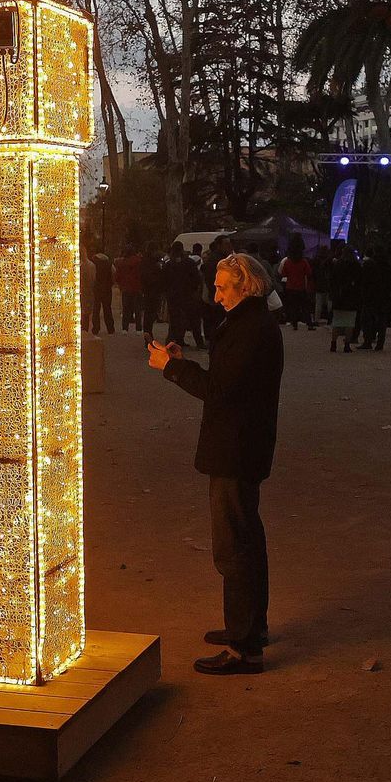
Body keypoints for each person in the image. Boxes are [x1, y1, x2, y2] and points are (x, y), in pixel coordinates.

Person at [148, 253, 282, 675]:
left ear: (248, 287)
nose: (217, 294)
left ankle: (244, 648)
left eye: (224, 287)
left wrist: (172, 369)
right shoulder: (251, 322)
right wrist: (183, 362)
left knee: (234, 547)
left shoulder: (251, 328)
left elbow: (219, 389)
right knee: (246, 539)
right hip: (241, 445)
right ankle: (249, 628)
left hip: (236, 448)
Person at [163, 240, 204, 348]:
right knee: (193, 320)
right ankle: (199, 342)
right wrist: (195, 289)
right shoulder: (189, 262)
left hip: (173, 296)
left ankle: (172, 341)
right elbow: (196, 278)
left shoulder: (168, 264)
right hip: (188, 295)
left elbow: (164, 280)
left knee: (174, 320)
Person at [356, 247, 391, 350]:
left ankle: (368, 341)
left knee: (367, 319)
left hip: (371, 295)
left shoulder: (370, 264)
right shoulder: (389, 266)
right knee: (382, 320)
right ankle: (380, 342)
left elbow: (364, 280)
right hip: (385, 295)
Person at [277, 234, 316, 331]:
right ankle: (309, 323)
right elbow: (309, 273)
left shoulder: (288, 262)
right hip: (301, 286)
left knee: (293, 306)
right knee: (305, 306)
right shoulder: (303, 262)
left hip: (290, 286)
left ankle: (294, 323)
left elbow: (283, 273)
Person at [327, 244, 361, 352]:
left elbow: (332, 280)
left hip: (338, 298)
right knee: (349, 323)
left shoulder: (338, 264)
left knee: (336, 322)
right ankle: (347, 344)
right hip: (351, 298)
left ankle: (333, 344)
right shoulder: (356, 265)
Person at [115, 244, 143, 332]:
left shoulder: (122, 263)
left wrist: (120, 285)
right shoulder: (138, 261)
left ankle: (125, 328)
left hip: (126, 288)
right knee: (137, 309)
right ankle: (138, 328)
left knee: (126, 309)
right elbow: (141, 275)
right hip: (137, 288)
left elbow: (117, 276)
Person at [139, 240, 165, 333]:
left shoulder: (145, 260)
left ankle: (148, 334)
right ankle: (148, 335)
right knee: (150, 314)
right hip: (152, 290)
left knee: (148, 314)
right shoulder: (152, 262)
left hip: (148, 290)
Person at [89, 245, 115, 334]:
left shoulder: (93, 261)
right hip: (107, 288)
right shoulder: (108, 262)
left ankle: (96, 328)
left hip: (97, 288)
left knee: (96, 309)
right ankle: (110, 328)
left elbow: (92, 275)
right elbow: (113, 273)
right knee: (107, 308)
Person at [311, 244, 334, 324]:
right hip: (328, 284)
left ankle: (317, 319)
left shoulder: (316, 260)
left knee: (318, 303)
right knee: (329, 303)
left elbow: (313, 273)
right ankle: (330, 319)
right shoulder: (330, 261)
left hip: (319, 284)